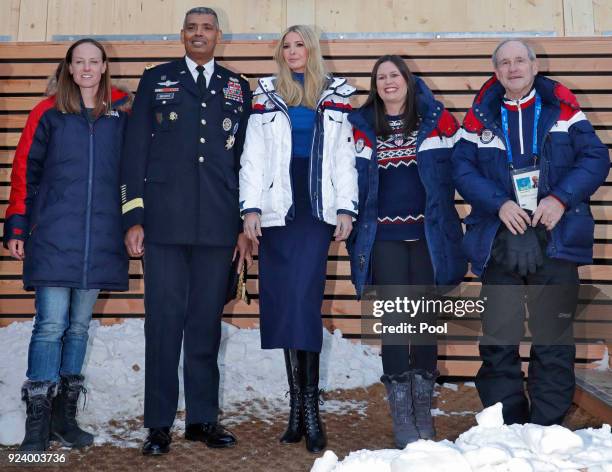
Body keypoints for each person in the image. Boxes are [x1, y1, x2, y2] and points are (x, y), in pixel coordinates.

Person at [452, 39, 609, 426]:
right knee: (497, 339)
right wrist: (499, 203)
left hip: (555, 237)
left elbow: (596, 158)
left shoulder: (565, 110)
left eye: (520, 60)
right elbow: (461, 168)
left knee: (553, 337)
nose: (513, 67)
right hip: (499, 239)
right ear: (496, 71)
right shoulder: (478, 118)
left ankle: (546, 425)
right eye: (504, 63)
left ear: (535, 65)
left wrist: (559, 198)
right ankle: (507, 422)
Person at [120, 7, 252, 455]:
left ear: (219, 36)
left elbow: (243, 163)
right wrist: (133, 216)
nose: (199, 34)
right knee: (163, 325)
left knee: (204, 326)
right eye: (192, 28)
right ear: (182, 35)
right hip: (164, 223)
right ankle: (158, 424)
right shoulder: (156, 78)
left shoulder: (238, 86)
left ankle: (201, 419)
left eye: (207, 28)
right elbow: (134, 150)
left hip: (217, 225)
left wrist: (240, 226)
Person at [3, 38, 132, 451]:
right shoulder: (47, 113)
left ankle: (65, 418)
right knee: (51, 326)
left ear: (104, 65)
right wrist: (18, 225)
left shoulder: (121, 113)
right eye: (80, 62)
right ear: (69, 68)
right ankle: (36, 427)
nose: (87, 69)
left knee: (78, 328)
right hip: (55, 236)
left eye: (94, 61)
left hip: (101, 238)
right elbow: (25, 168)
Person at [239, 25, 357, 453]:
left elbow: (346, 158)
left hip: (315, 207)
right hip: (277, 209)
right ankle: (296, 408)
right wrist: (250, 208)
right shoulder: (266, 95)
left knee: (305, 301)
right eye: (286, 46)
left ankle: (311, 410)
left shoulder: (337, 95)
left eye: (299, 45)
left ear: (313, 49)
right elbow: (251, 158)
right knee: (283, 302)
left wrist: (346, 207)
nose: (293, 52)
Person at [347, 55, 467, 448]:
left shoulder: (437, 120)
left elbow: (462, 168)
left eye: (394, 74)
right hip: (383, 240)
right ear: (375, 85)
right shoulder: (360, 125)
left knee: (426, 328)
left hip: (430, 237)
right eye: (380, 77)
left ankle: (422, 412)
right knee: (397, 329)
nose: (387, 81)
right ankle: (402, 417)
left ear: (407, 79)